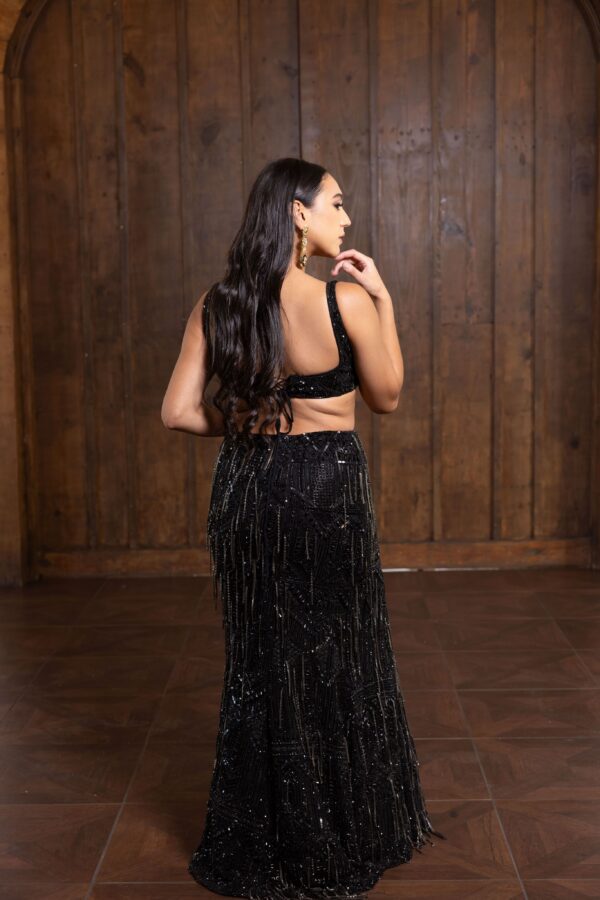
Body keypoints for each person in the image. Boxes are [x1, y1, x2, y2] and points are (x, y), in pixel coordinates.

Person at [161, 157, 445, 899]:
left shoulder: (217, 303)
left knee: (262, 666)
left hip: (249, 490)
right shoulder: (345, 299)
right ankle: (343, 834)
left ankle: (263, 837)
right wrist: (382, 298)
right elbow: (386, 396)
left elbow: (180, 412)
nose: (346, 220)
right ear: (296, 212)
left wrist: (251, 421)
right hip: (325, 491)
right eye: (336, 204)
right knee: (339, 656)